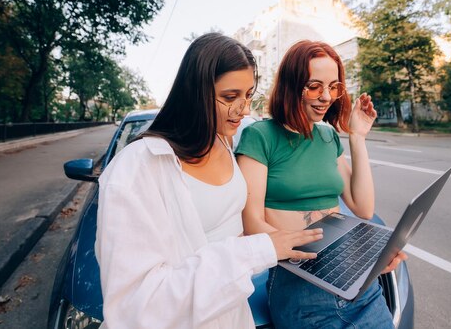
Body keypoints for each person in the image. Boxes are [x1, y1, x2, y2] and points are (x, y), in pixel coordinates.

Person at [95, 33, 323, 329]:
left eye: (248, 95)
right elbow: (138, 307)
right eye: (230, 97)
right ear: (194, 93)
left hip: (234, 316)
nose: (243, 109)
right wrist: (258, 250)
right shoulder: (137, 167)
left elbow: (233, 226)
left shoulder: (222, 140)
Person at [236, 40, 407, 329]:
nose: (326, 96)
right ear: (292, 85)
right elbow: (251, 223)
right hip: (301, 290)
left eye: (334, 87)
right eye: (314, 86)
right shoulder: (260, 136)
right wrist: (319, 259)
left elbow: (363, 208)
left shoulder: (328, 136)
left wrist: (357, 137)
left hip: (358, 286)